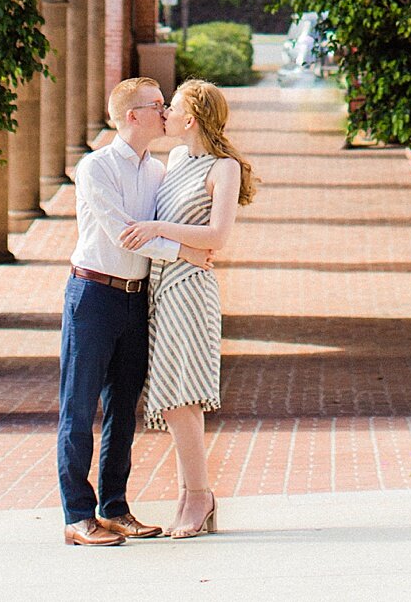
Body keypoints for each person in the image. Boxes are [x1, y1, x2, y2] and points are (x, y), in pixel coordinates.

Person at [59, 75, 210, 547]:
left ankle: (114, 507)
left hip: (136, 297)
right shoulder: (96, 168)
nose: (165, 112)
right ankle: (78, 515)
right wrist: (184, 253)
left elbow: (164, 226)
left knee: (124, 408)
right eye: (157, 105)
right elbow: (126, 232)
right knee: (79, 406)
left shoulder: (157, 172)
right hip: (93, 296)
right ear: (132, 116)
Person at [119, 77, 258, 540]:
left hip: (191, 290)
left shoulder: (223, 169)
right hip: (161, 285)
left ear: (191, 118)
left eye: (171, 107)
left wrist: (159, 227)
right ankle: (188, 493)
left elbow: (218, 236)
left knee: (183, 396)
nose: (165, 114)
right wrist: (174, 243)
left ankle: (199, 496)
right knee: (172, 395)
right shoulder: (175, 159)